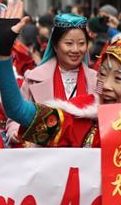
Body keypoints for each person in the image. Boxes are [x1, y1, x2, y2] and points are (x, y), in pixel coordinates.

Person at [0, 1, 121, 155]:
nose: (106, 86)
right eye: (102, 75)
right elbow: (18, 110)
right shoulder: (82, 117)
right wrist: (3, 52)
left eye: (118, 79)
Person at [7, 14, 97, 145]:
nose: (76, 49)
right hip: (45, 158)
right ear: (55, 45)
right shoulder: (33, 77)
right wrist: (15, 132)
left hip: (84, 159)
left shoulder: (97, 80)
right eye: (69, 43)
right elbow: (16, 115)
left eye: (81, 43)